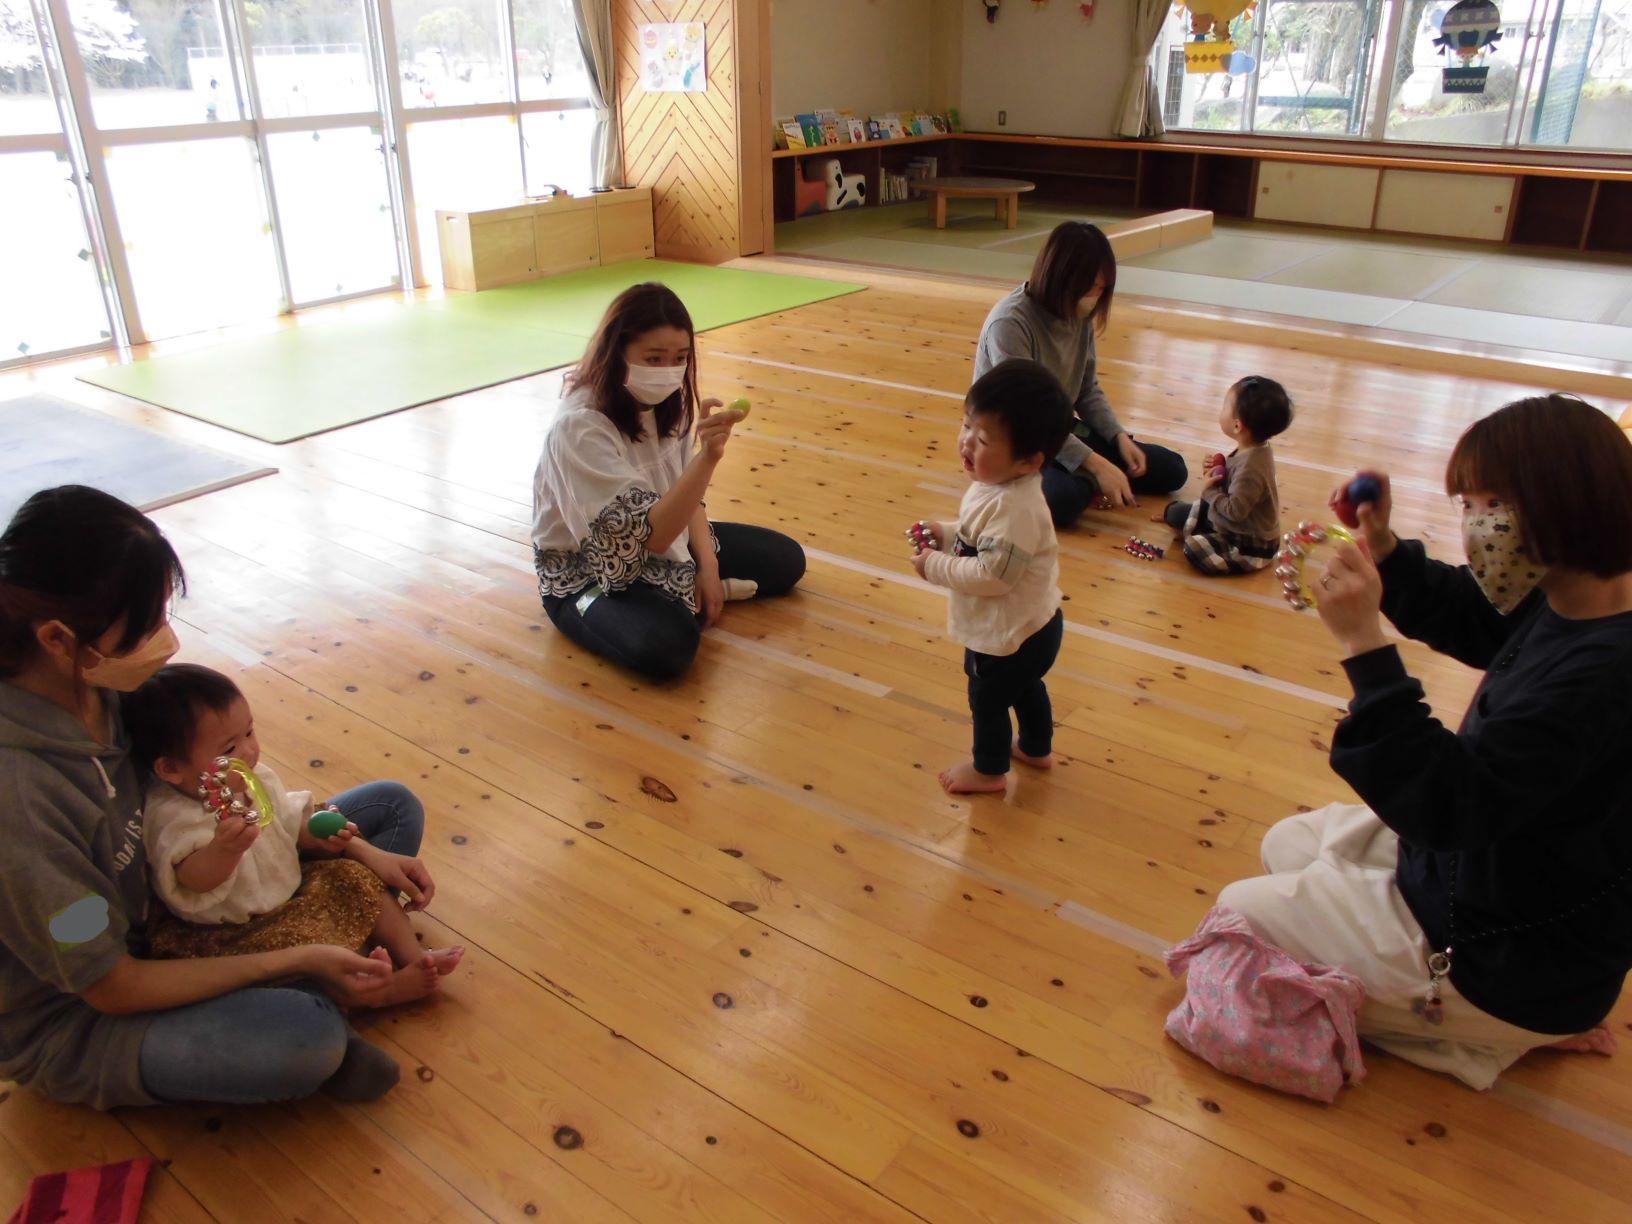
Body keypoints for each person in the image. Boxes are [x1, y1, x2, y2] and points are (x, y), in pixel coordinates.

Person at [1216, 394, 1632, 1089]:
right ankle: (1494, 1018)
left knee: (1240, 911)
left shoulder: (1603, 677)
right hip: (1504, 881)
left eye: (1488, 505)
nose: (1474, 526)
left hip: (1504, 958)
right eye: (1467, 506)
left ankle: (1484, 1034)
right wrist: (1382, 550)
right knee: (1285, 846)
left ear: (1563, 504)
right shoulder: (1588, 596)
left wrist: (1362, 643)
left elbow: (1448, 802)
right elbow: (1479, 614)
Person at [0, 485, 435, 1109]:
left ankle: (323, 983)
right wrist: (295, 955)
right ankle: (319, 996)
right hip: (95, 1004)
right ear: (57, 639)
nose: (164, 640)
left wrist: (359, 850)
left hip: (183, 904)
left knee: (389, 809)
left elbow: (237, 790)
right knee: (302, 1039)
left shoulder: (105, 690)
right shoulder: (22, 803)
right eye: (143, 627)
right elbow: (107, 982)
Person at [123, 664, 463, 1003]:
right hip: (232, 933)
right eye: (228, 750)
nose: (249, 752)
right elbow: (191, 880)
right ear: (170, 768)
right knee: (304, 952)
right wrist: (223, 850)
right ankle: (373, 991)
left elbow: (288, 820)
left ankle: (413, 955)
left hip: (288, 890)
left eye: (250, 732)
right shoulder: (171, 815)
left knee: (355, 877)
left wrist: (321, 837)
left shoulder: (253, 778)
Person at [531, 283, 806, 681]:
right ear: (618, 353)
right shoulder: (580, 427)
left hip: (663, 537)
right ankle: (674, 599)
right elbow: (651, 537)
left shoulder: (669, 403)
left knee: (786, 560)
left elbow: (684, 497)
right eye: (654, 358)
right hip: (588, 574)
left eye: (679, 358)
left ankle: (681, 592)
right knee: (669, 647)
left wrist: (707, 566)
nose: (668, 371)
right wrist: (708, 458)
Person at [909, 359, 1071, 795]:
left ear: (1028, 461)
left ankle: (989, 769)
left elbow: (993, 574)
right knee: (1025, 686)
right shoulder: (999, 486)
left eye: (982, 439)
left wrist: (935, 566)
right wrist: (945, 535)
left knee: (988, 698)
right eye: (965, 426)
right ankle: (1036, 747)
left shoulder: (1016, 509)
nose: (966, 442)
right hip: (1032, 626)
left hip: (1008, 635)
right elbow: (977, 537)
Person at [973, 221, 1186, 527]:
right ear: (1061, 279)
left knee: (1172, 469)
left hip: (1057, 430)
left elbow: (1087, 389)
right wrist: (1097, 465)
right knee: (1063, 500)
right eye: (1090, 288)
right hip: (1011, 440)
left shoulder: (1078, 314)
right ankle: (1087, 478)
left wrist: (1119, 436)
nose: (1096, 297)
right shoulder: (1009, 324)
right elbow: (1029, 418)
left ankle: (1086, 474)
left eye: (1102, 289)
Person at [1162, 375, 1293, 575]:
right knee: (1174, 513)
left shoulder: (1252, 468)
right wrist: (1215, 471)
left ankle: (1214, 544)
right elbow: (1234, 483)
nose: (1221, 410)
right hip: (1234, 524)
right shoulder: (1252, 448)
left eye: (1225, 406)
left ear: (1237, 426)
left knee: (1194, 548)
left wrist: (1210, 489)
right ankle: (1202, 532)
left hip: (1249, 542)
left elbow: (1235, 511)